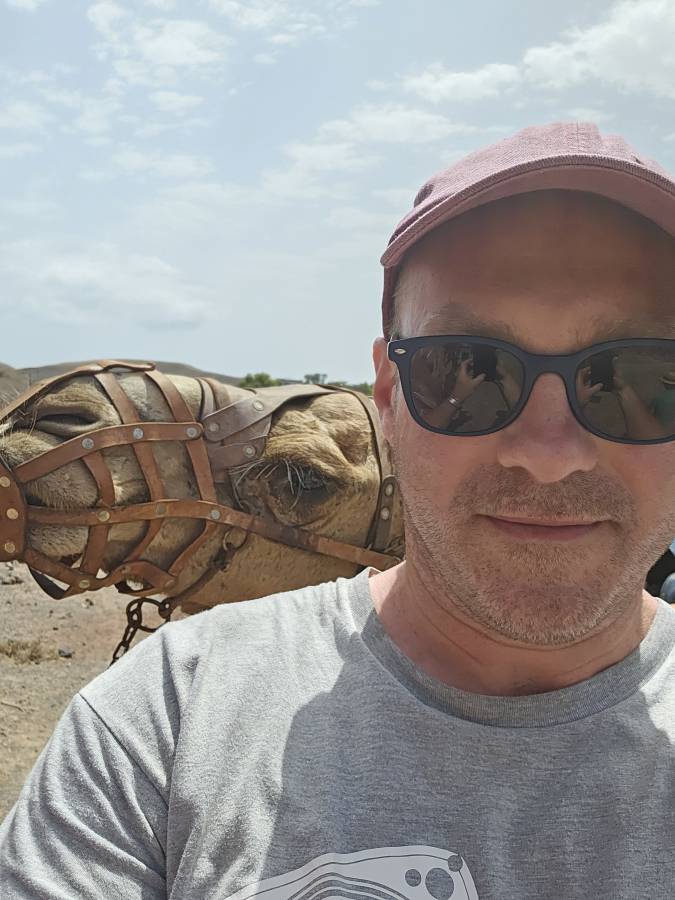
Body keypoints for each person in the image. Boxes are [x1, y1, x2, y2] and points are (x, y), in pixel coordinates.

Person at [2, 122, 675, 899]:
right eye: (465, 370)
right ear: (387, 396)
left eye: (638, 377)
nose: (548, 453)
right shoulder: (163, 720)